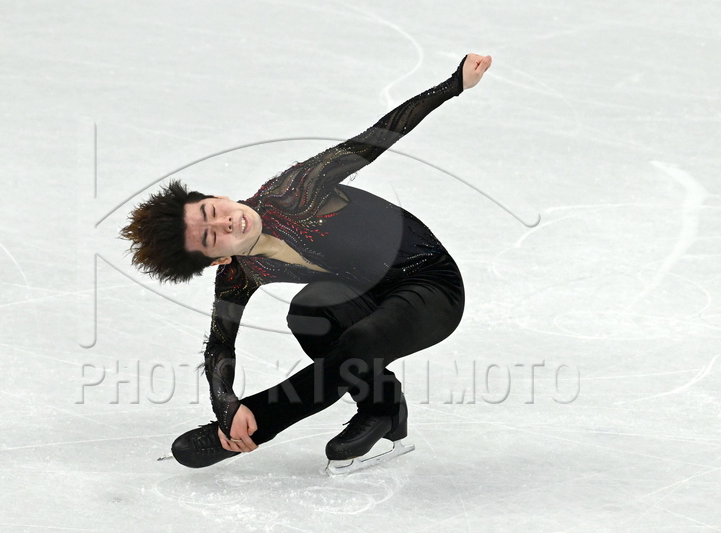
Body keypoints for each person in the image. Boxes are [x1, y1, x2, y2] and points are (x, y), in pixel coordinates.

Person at [121, 53, 492, 472]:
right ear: (217, 258)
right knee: (310, 313)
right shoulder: (237, 273)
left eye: (212, 210)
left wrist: (453, 84)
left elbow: (376, 138)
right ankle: (383, 408)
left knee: (360, 341)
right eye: (211, 237)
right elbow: (220, 344)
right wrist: (225, 403)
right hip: (370, 295)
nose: (227, 221)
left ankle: (262, 423)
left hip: (431, 284)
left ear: (217, 197)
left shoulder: (294, 192)